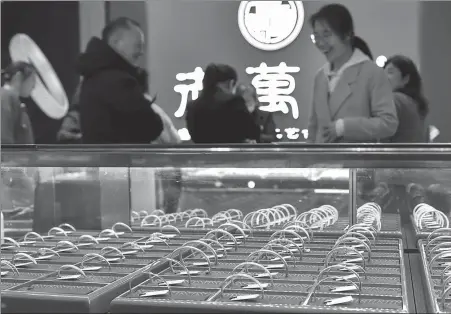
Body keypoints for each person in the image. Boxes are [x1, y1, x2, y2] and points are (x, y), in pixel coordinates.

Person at [307, 4, 398, 143]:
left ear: (347, 35)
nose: (321, 43)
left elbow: (388, 123)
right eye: (316, 36)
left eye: (327, 34)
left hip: (357, 161)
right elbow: (313, 128)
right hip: (322, 162)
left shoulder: (372, 72)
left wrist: (344, 127)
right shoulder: (320, 76)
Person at [77, 17, 164, 144]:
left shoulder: (93, 75)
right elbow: (152, 126)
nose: (141, 52)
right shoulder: (119, 81)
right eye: (138, 46)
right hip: (124, 160)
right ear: (116, 42)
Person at [186, 63, 260, 144]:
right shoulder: (235, 102)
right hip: (233, 155)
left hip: (204, 156)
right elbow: (253, 133)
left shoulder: (192, 107)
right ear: (231, 83)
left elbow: (195, 137)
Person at [383, 55, 429, 143]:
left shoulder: (395, 99)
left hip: (394, 156)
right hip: (413, 155)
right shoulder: (414, 103)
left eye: (390, 72)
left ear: (405, 79)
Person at [1, 61, 36, 144]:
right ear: (18, 76)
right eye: (33, 80)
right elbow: (4, 138)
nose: (34, 86)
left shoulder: (11, 99)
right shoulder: (5, 97)